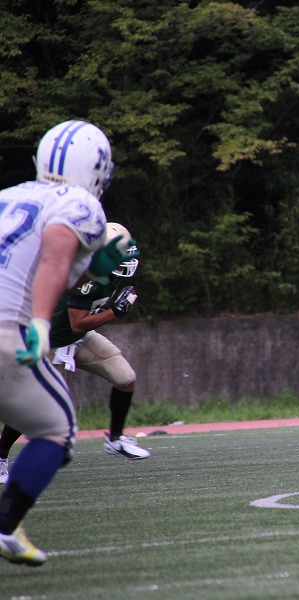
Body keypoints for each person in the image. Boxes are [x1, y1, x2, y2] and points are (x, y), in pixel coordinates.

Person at [0, 119, 134, 566]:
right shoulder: (80, 203)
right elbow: (56, 253)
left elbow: (45, 262)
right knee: (56, 430)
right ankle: (6, 525)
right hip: (8, 328)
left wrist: (94, 270)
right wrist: (41, 323)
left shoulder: (9, 196)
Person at [0, 223, 147, 477]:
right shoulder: (87, 277)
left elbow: (79, 327)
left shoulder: (110, 274)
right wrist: (115, 311)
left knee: (125, 378)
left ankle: (115, 439)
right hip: (47, 340)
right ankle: (1, 454)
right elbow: (77, 322)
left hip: (75, 338)